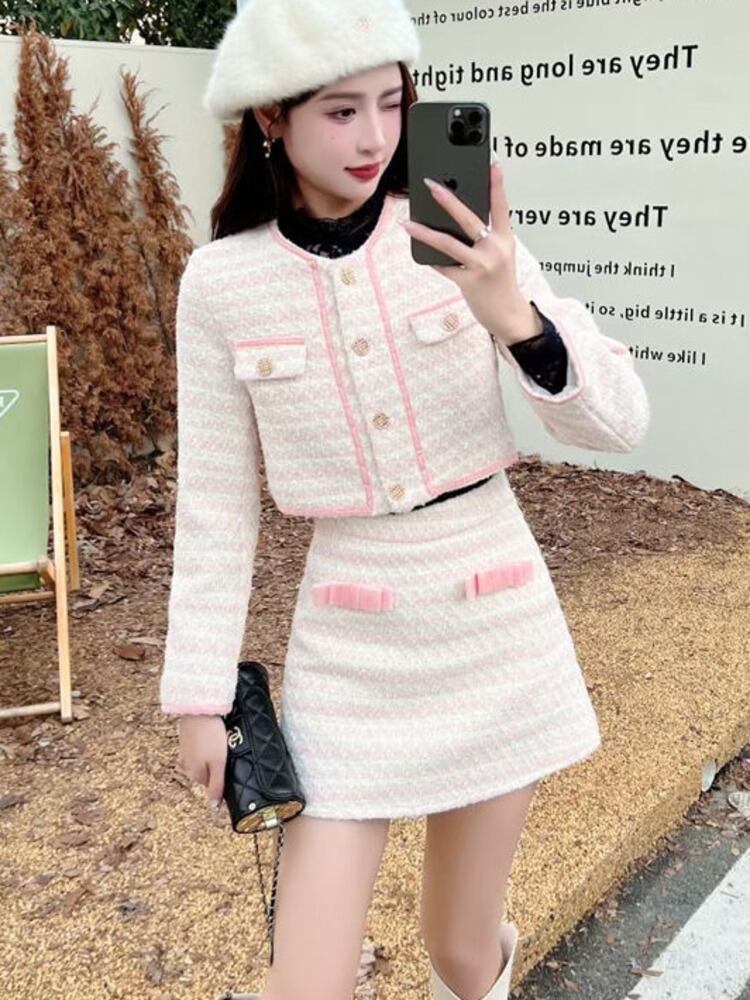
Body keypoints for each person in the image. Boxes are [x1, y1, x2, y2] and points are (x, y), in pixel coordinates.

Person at [159, 2, 651, 999]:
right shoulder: (220, 282)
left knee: (462, 951)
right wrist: (199, 696)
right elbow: (215, 508)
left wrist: (513, 314)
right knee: (304, 983)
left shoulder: (462, 233)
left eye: (392, 103)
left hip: (494, 620)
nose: (376, 136)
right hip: (349, 646)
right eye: (341, 111)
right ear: (272, 118)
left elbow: (619, 423)